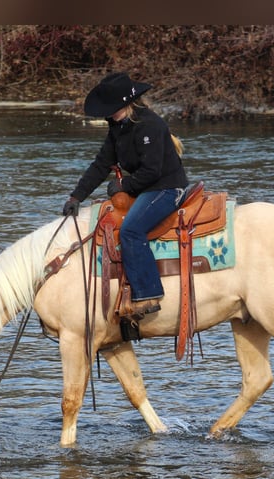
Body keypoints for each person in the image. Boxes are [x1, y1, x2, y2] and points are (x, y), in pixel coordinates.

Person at [62, 72, 189, 320]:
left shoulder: (150, 125)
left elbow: (153, 171)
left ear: (127, 104)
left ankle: (148, 294)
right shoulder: (118, 128)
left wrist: (123, 185)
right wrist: (76, 196)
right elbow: (101, 164)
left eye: (114, 109)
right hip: (146, 187)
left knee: (131, 231)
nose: (110, 114)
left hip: (167, 188)